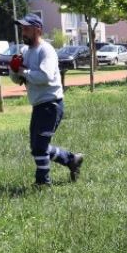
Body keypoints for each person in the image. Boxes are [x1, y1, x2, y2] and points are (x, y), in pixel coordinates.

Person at [10, 13, 84, 185]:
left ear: (38, 30)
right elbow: (19, 80)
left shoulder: (46, 50)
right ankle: (71, 159)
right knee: (37, 147)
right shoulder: (25, 51)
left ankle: (42, 183)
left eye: (27, 29)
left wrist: (22, 71)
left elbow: (45, 76)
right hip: (38, 105)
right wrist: (14, 71)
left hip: (51, 105)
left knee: (39, 148)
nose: (23, 32)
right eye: (22, 29)